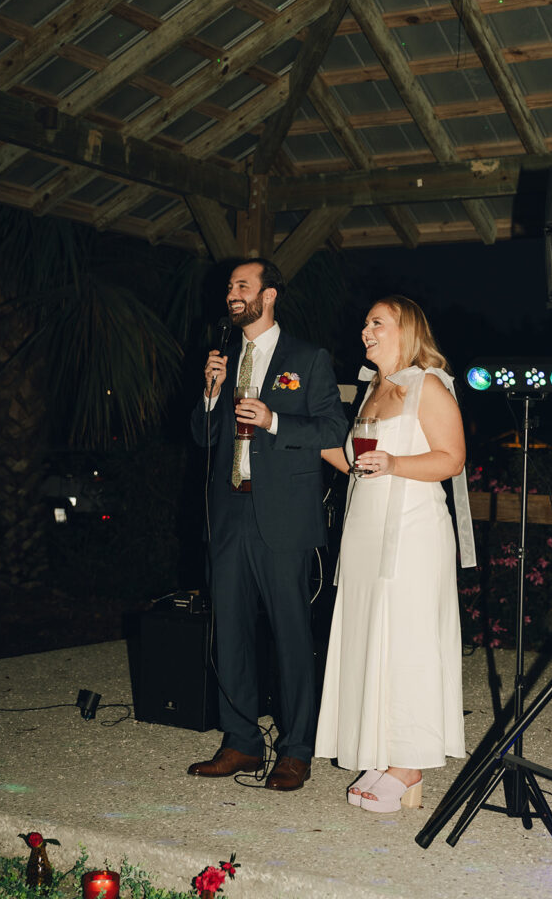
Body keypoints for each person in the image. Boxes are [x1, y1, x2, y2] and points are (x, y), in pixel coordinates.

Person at [188, 259, 347, 792]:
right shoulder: (225, 358)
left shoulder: (307, 357)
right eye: (230, 287)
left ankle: (297, 749)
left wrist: (275, 420)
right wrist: (210, 394)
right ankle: (240, 742)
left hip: (283, 516)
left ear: (269, 295)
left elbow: (331, 427)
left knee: (290, 635)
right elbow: (201, 436)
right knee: (228, 629)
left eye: (242, 286)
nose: (232, 293)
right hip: (229, 510)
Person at [315, 295, 476, 812]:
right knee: (371, 635)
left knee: (406, 639)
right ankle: (381, 750)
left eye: (377, 323)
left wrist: (394, 463)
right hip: (365, 530)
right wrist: (291, 431)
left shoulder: (427, 383)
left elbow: (452, 458)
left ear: (406, 330)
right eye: (365, 323)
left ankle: (408, 765)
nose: (366, 330)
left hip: (413, 531)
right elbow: (356, 464)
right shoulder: (372, 391)